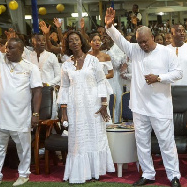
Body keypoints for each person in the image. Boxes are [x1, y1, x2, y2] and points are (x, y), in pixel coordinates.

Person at [105, 7, 182, 187]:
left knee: (166, 143)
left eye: (145, 42)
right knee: (142, 143)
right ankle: (148, 173)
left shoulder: (166, 52)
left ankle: (173, 176)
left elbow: (179, 73)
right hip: (139, 106)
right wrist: (110, 26)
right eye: (139, 42)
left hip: (160, 106)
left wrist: (159, 78)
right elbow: (120, 40)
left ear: (152, 38)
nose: (142, 46)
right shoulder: (135, 50)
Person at [57, 31, 115, 184]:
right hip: (75, 107)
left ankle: (95, 171)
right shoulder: (66, 64)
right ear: (68, 45)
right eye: (71, 41)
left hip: (94, 105)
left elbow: (101, 81)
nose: (74, 42)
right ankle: (79, 173)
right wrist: (64, 112)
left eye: (76, 39)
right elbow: (64, 88)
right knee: (77, 140)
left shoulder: (93, 60)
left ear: (82, 42)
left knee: (95, 137)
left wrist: (104, 104)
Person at [0, 38, 42, 186]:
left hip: (21, 116)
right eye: (7, 47)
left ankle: (24, 174)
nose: (7, 50)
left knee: (23, 148)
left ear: (21, 51)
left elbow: (38, 91)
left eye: (12, 48)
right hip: (0, 114)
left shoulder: (31, 67)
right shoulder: (0, 59)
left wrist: (35, 114)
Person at [27, 34, 61, 119]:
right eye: (38, 40)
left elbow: (59, 75)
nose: (42, 42)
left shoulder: (51, 56)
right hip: (32, 92)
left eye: (44, 40)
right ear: (32, 43)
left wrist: (48, 84)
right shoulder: (28, 57)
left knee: (50, 117)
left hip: (48, 92)